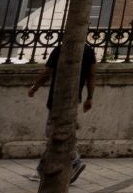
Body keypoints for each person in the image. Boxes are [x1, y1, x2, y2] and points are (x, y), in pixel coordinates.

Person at [26, 39, 97, 183]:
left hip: (57, 97)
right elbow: (92, 76)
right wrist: (89, 97)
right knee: (58, 131)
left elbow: (47, 73)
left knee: (54, 132)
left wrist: (34, 87)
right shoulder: (88, 52)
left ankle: (74, 160)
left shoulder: (61, 49)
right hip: (75, 96)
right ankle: (41, 170)